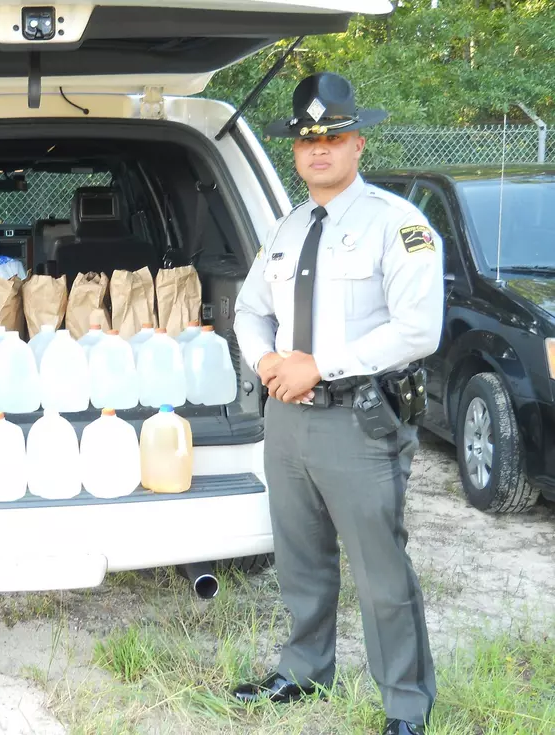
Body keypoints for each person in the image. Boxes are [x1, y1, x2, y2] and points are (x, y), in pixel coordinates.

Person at [231, 72, 444, 735]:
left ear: (358, 145)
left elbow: (418, 330)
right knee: (301, 558)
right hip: (287, 419)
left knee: (381, 569)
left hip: (360, 419)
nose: (318, 150)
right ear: (294, 151)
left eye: (334, 137)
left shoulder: (398, 225)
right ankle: (302, 670)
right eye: (306, 140)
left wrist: (320, 365)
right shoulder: (288, 229)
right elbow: (247, 309)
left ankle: (405, 705)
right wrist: (266, 360)